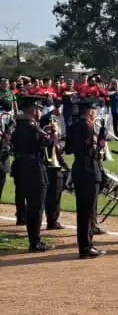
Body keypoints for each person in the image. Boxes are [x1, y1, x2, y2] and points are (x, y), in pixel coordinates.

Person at [64, 96, 106, 259]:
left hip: (78, 168)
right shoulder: (88, 127)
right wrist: (101, 140)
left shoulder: (73, 126)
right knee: (88, 211)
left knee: (83, 210)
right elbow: (94, 152)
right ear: (89, 111)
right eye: (94, 110)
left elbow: (68, 149)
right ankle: (86, 246)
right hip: (89, 169)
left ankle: (86, 244)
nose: (95, 114)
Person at [10, 95, 53, 253]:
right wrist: (53, 135)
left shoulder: (18, 125)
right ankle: (35, 241)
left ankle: (33, 239)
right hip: (33, 168)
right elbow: (46, 143)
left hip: (20, 166)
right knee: (37, 206)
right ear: (33, 109)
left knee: (30, 204)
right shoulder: (32, 126)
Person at [40, 114, 66, 231]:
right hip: (50, 169)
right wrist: (54, 134)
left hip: (56, 168)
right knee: (52, 196)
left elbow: (58, 154)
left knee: (56, 196)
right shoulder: (47, 136)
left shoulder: (53, 137)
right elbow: (49, 148)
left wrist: (65, 166)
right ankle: (52, 221)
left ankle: (53, 220)